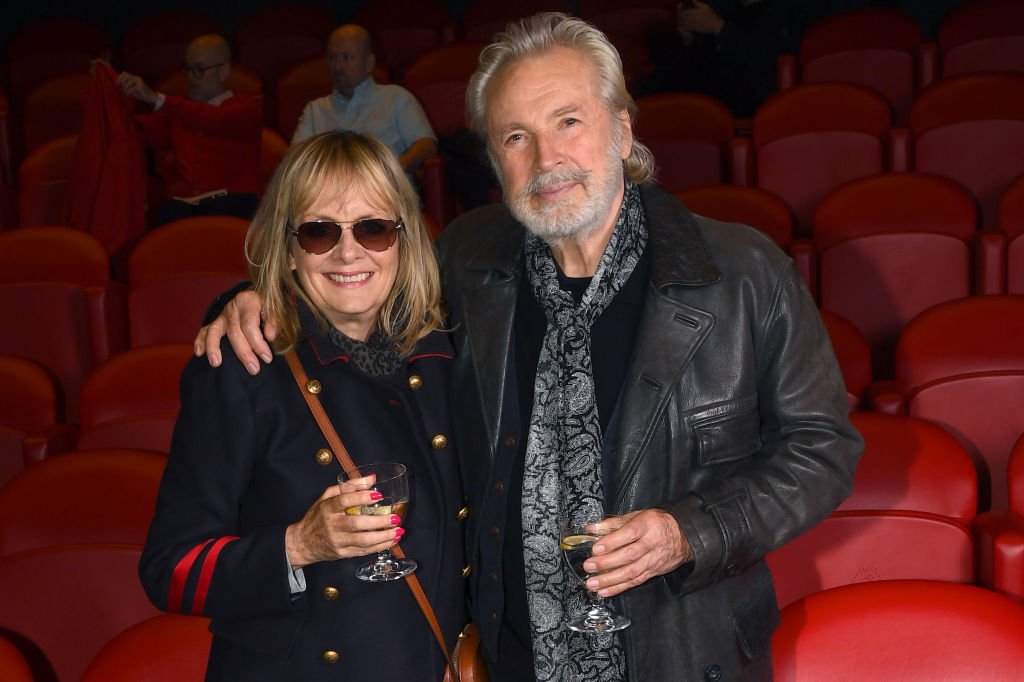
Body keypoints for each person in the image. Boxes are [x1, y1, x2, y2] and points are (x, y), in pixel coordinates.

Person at [195, 12, 863, 682]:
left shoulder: (744, 273)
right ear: (494, 158)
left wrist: (692, 531)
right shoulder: (466, 259)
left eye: (568, 121)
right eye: (517, 136)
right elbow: (351, 280)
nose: (547, 160)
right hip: (513, 657)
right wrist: (258, 301)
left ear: (623, 129)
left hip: (685, 652)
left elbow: (823, 450)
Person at [141, 130, 466, 680]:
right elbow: (170, 570)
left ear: (405, 239)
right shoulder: (244, 368)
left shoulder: (448, 355)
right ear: (286, 248)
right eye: (318, 232)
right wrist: (297, 546)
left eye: (374, 228)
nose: (347, 252)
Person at [117, 34, 262, 225]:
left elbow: (212, 119)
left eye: (199, 70)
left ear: (223, 71)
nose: (192, 77)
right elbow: (134, 131)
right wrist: (115, 92)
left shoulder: (246, 108)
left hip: (231, 204)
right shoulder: (179, 113)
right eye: (188, 69)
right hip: (183, 207)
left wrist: (157, 99)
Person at [292, 24, 438, 178]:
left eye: (346, 58)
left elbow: (427, 145)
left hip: (386, 193)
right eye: (332, 57)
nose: (337, 66)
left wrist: (392, 173)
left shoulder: (396, 97)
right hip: (331, 194)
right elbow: (295, 160)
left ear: (369, 63)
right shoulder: (315, 110)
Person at [644, 1, 808, 117]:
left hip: (749, 105)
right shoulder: (723, 8)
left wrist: (718, 27)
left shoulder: (785, 12)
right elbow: (697, 63)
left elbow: (766, 59)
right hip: (703, 100)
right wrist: (688, 38)